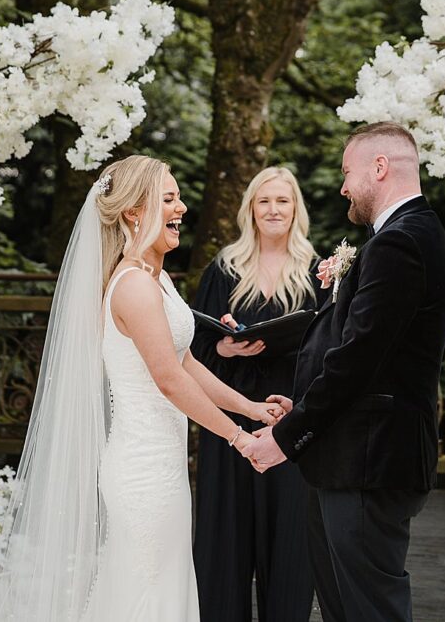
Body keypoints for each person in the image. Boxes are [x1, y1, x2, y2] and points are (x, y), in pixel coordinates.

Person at [0, 155, 285, 622]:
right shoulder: (133, 286)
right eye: (169, 199)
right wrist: (239, 438)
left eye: (179, 198)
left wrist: (249, 407)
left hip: (164, 467)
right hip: (142, 473)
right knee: (145, 594)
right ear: (133, 212)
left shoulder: (159, 279)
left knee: (159, 585)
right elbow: (168, 379)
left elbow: (186, 361)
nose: (182, 208)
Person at [243, 123, 445, 622]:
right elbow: (348, 340)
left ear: (379, 168)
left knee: (369, 610)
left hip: (369, 460)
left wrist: (287, 436)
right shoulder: (400, 238)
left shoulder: (400, 243)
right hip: (350, 456)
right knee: (344, 608)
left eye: (346, 172)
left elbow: (358, 359)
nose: (342, 187)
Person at [190, 166, 324, 622]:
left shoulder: (316, 270)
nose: (273, 209)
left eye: (282, 201)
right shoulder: (224, 268)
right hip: (228, 412)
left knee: (289, 541)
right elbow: (191, 350)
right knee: (223, 539)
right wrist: (225, 346)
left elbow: (334, 347)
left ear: (295, 209)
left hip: (291, 417)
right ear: (251, 208)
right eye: (264, 201)